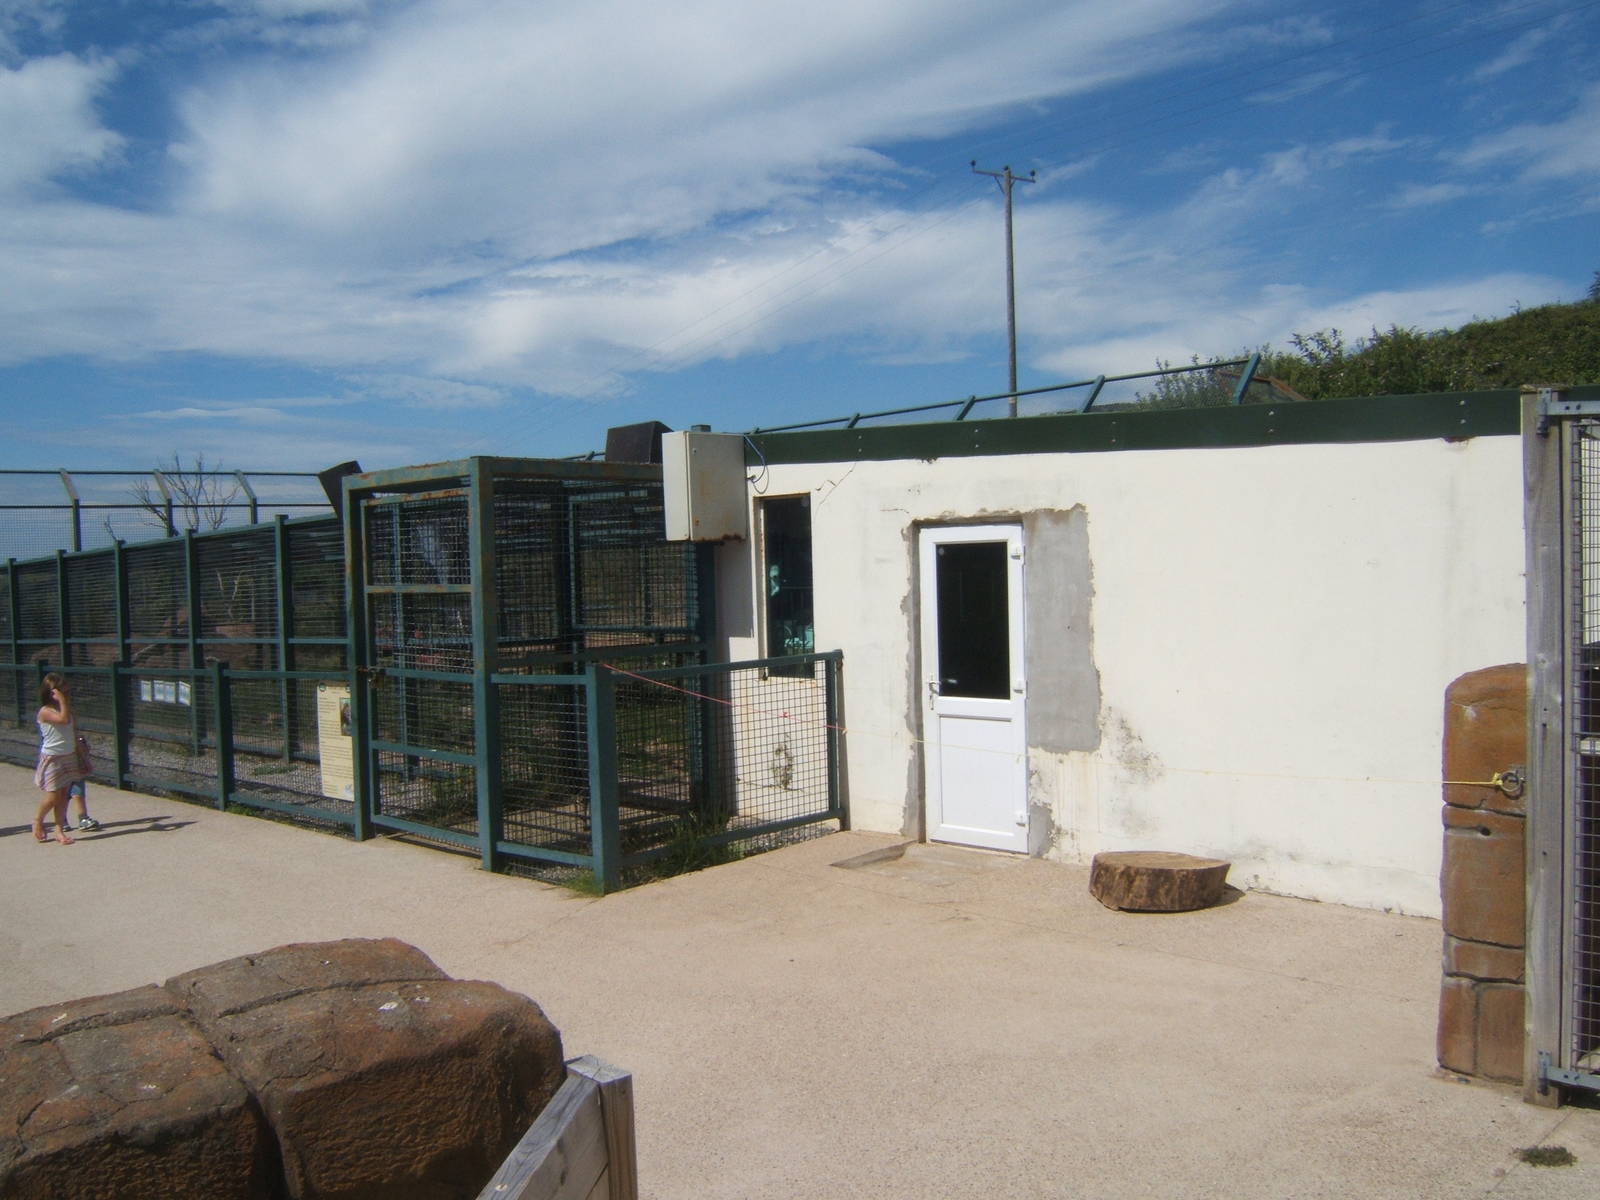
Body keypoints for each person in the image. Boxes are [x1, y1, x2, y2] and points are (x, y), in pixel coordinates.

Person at [34, 673, 87, 845]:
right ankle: (38, 820)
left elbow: (72, 730)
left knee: (64, 795)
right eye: (59, 691)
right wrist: (63, 701)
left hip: (68, 755)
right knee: (52, 797)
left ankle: (59, 830)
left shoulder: (67, 710)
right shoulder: (45, 711)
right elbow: (63, 720)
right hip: (53, 757)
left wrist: (82, 753)